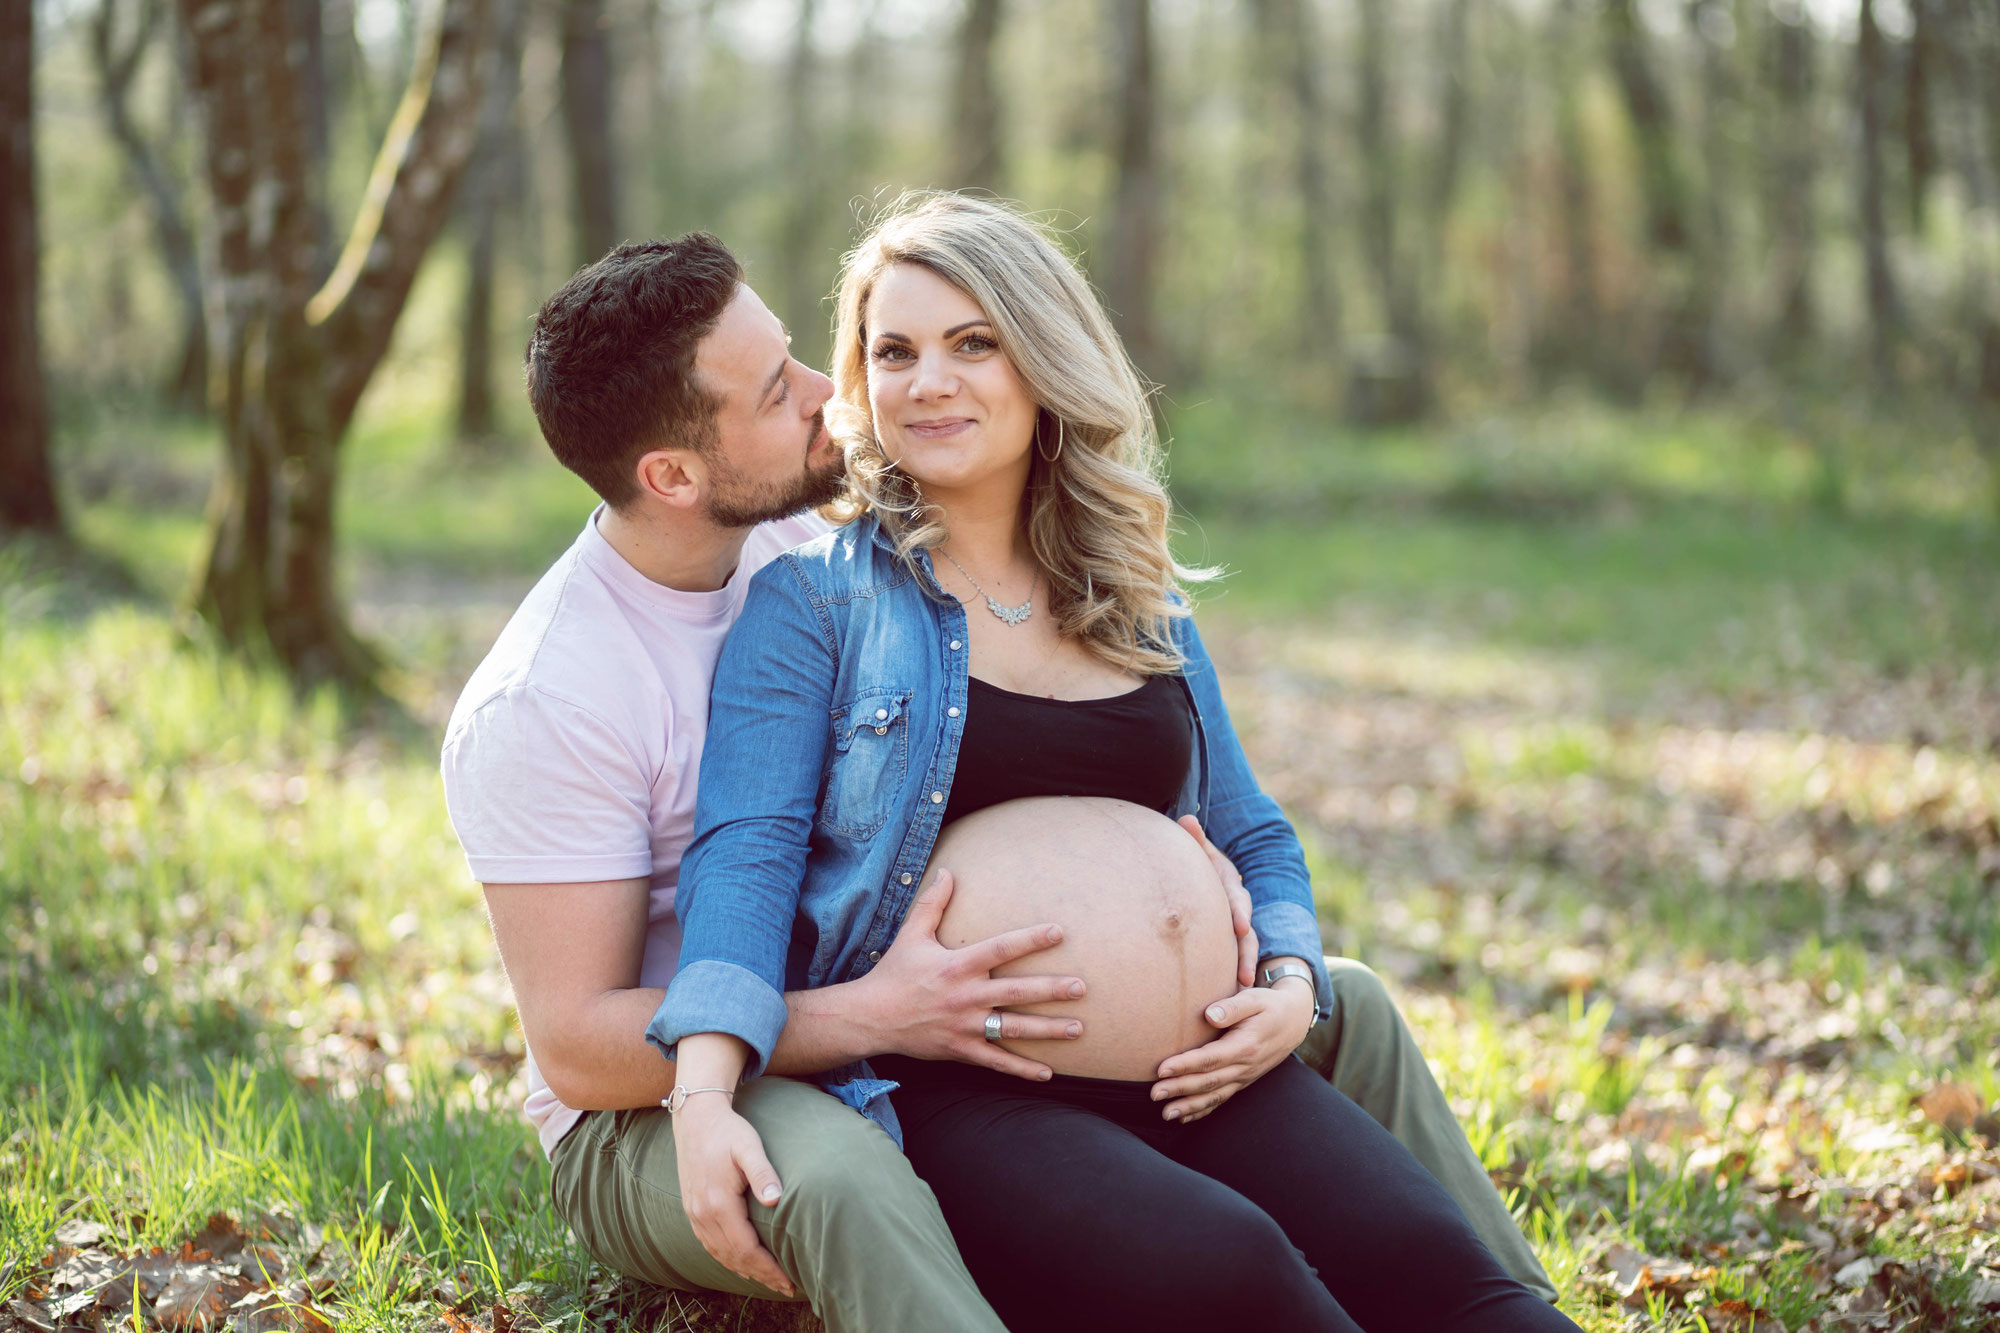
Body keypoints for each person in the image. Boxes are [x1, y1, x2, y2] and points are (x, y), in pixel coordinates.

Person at [442, 230, 1554, 1333]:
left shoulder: (1122, 577)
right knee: (1237, 1269)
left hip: (1198, 1059)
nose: (867, 390)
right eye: (887, 353)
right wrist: (710, 1088)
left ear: (1040, 355)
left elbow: (1245, 821)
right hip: (940, 1075)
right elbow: (743, 867)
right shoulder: (780, 610)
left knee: (1433, 1265)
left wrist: (1287, 974)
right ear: (671, 476)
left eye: (972, 343)